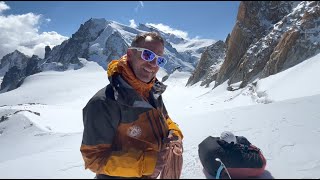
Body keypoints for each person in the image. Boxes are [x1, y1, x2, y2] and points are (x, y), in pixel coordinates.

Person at [80, 32, 184, 179]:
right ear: (130, 54)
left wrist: (174, 132)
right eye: (147, 55)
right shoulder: (104, 102)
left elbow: (165, 118)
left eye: (159, 60)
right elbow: (93, 159)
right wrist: (147, 164)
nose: (153, 64)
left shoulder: (151, 90)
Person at [198, 131, 266, 179]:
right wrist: (254, 149)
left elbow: (240, 140)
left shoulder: (214, 142)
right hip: (214, 168)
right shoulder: (230, 156)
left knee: (241, 140)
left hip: (206, 158)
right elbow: (260, 164)